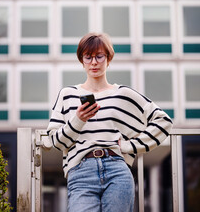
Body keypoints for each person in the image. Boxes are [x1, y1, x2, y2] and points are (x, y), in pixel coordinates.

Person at [46, 32, 173, 212]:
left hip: (117, 170)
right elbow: (56, 142)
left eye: (99, 56)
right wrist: (78, 120)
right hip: (81, 172)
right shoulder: (67, 94)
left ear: (109, 58)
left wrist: (130, 146)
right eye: (88, 57)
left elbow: (164, 121)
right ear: (82, 60)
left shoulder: (123, 94)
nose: (94, 62)